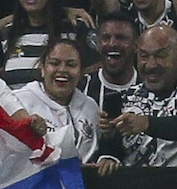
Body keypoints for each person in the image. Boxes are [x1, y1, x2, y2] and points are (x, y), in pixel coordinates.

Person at [13, 38, 117, 172]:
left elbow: (104, 149)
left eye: (71, 64)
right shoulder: (21, 102)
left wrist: (107, 158)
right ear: (43, 69)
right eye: (54, 63)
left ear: (81, 73)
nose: (62, 70)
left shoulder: (90, 106)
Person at [109, 23, 177, 166]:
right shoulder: (126, 97)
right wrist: (108, 154)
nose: (151, 65)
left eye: (161, 55)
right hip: (134, 185)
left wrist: (148, 123)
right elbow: (114, 146)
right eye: (144, 56)